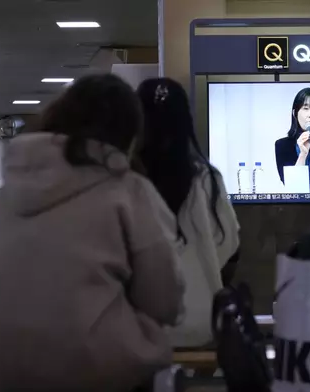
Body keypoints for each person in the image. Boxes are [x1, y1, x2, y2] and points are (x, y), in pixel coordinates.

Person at [0, 74, 183, 392]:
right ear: (128, 136)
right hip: (94, 368)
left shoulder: (8, 195)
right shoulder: (127, 190)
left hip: (0, 365)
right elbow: (165, 300)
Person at [136, 78, 240, 348]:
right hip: (200, 321)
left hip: (139, 325)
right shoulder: (206, 178)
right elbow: (229, 243)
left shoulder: (126, 179)